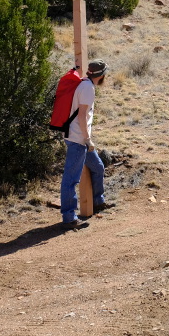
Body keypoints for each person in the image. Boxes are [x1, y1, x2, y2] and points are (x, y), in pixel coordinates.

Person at [60, 59, 110, 229]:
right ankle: (69, 218)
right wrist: (87, 139)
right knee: (70, 180)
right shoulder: (88, 88)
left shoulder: (84, 84)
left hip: (78, 137)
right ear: (102, 75)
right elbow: (82, 116)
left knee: (97, 167)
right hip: (78, 139)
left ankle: (98, 202)